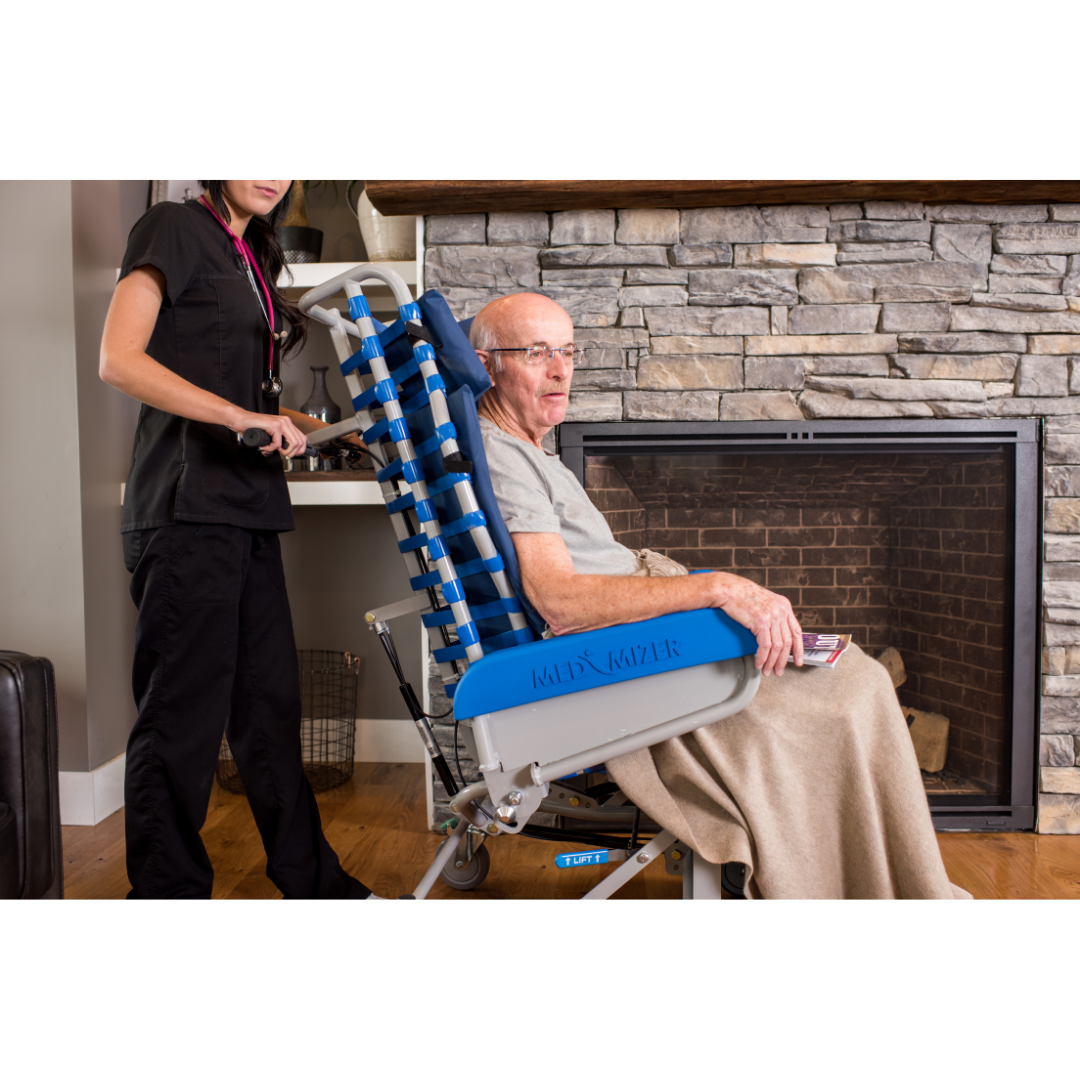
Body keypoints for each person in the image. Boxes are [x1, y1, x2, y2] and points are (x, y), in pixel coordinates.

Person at [469, 291, 970, 899]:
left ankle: (886, 886)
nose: (560, 370)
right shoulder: (502, 458)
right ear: (487, 362)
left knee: (852, 675)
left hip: (654, 639)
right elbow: (560, 601)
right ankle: (874, 890)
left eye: (568, 351)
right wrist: (718, 587)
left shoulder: (518, 447)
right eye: (536, 352)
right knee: (855, 689)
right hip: (633, 664)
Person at [100, 181, 376, 899]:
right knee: (181, 723)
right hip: (189, 510)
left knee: (270, 713)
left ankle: (315, 886)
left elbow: (245, 398)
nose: (272, 171)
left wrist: (330, 431)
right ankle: (166, 897)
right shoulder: (170, 227)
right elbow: (120, 360)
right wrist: (234, 417)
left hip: (249, 508)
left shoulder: (251, 252)